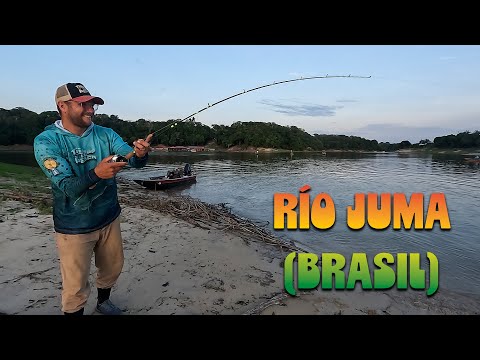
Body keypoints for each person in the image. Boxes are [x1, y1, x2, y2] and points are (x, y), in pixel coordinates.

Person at [33, 82, 152, 315]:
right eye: (83, 104)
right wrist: (96, 173)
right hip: (74, 226)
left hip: (109, 216)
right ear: (62, 106)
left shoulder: (105, 134)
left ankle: (103, 302)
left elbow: (132, 161)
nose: (90, 109)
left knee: (112, 268)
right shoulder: (46, 142)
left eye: (92, 104)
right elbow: (67, 185)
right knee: (75, 286)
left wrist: (140, 153)